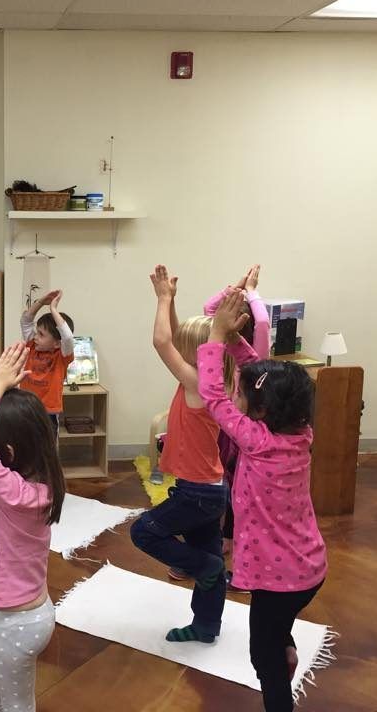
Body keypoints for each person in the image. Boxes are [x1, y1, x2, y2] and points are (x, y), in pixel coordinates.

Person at [198, 290, 327, 712]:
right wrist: (235, 337)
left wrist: (216, 338)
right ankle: (284, 646)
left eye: (242, 396)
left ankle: (279, 683)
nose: (236, 396)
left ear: (258, 413)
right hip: (308, 569)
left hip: (279, 581)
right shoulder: (300, 434)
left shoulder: (257, 442)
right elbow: (258, 373)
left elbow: (212, 395)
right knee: (277, 628)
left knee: (263, 659)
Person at [129, 265, 232, 644]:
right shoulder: (210, 378)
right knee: (207, 556)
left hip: (197, 493)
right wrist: (169, 300)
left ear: (197, 355)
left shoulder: (200, 384)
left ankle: (204, 566)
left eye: (183, 347)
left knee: (144, 531)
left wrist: (161, 299)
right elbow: (172, 338)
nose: (177, 349)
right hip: (208, 489)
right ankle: (206, 626)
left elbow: (162, 342)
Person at [0, 342, 66, 712]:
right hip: (11, 617)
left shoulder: (17, 495)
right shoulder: (35, 480)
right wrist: (5, 388)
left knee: (16, 705)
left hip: (19, 624)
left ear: (7, 453)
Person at [201, 264, 271, 591]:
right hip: (231, 434)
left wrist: (251, 292)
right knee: (229, 487)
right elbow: (209, 311)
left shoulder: (258, 365)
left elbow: (264, 323)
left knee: (242, 497)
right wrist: (237, 288)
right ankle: (226, 540)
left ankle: (238, 556)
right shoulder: (232, 345)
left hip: (245, 436)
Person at [19, 290, 75, 433]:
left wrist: (53, 309)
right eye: (37, 332)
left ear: (57, 343)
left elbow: (67, 337)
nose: (36, 337)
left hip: (47, 412)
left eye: (41, 334)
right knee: (25, 442)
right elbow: (25, 321)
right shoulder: (32, 346)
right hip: (25, 407)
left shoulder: (62, 356)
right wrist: (40, 302)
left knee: (47, 445)